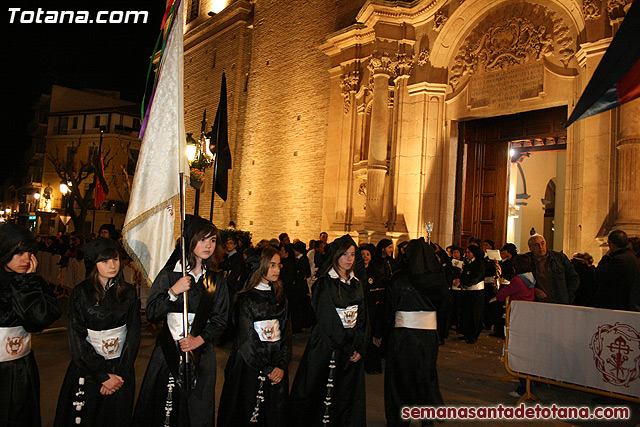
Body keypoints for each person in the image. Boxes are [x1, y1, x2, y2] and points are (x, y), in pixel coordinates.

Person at [133, 215, 229, 427]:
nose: (208, 245)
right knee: (165, 408)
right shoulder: (169, 274)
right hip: (167, 354)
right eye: (203, 239)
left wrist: (199, 339)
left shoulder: (216, 280)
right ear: (190, 241)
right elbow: (152, 313)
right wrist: (173, 292)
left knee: (197, 411)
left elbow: (220, 320)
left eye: (212, 240)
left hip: (201, 355)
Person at [54, 238, 140, 427]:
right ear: (94, 264)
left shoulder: (129, 292)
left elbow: (133, 335)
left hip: (120, 369)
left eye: (115, 259)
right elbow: (77, 339)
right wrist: (103, 376)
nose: (112, 265)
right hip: (89, 369)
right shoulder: (81, 293)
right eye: (105, 261)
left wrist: (118, 374)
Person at [289, 235, 367, 426]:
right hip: (327, 345)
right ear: (336, 256)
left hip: (351, 348)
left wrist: (359, 345)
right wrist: (347, 347)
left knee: (346, 394)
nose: (349, 259)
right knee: (319, 393)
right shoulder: (325, 283)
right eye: (344, 254)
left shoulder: (356, 283)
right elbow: (327, 319)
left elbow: (363, 317)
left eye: (352, 255)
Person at [217, 246, 291, 427]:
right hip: (250, 363)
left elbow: (286, 331)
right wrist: (266, 368)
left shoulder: (280, 296)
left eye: (279, 265)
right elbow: (246, 337)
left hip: (276, 361)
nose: (277, 270)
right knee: (248, 408)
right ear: (261, 266)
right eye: (272, 265)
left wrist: (281, 364)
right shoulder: (245, 299)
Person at [377, 239, 447, 426]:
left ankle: (400, 419)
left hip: (403, 336)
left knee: (399, 379)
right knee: (426, 376)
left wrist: (379, 332)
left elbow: (387, 309)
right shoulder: (438, 280)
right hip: (428, 338)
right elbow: (446, 307)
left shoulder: (399, 279)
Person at [0, 223, 61, 427]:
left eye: (29, 253)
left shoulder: (34, 282)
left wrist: (27, 284)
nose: (26, 259)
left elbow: (39, 320)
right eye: (18, 253)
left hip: (22, 367)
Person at [494, 255, 535, 397]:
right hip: (527, 317)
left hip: (517, 318)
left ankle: (523, 387)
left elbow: (501, 295)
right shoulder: (530, 279)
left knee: (519, 352)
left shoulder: (518, 280)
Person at [526, 234, 579, 304]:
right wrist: (534, 290)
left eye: (542, 243)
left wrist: (567, 294)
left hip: (559, 301)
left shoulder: (559, 258)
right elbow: (521, 280)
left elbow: (574, 277)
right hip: (537, 303)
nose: (541, 247)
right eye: (536, 245)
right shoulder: (526, 261)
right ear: (530, 248)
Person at [595, 230, 640, 311]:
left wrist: (605, 257)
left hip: (616, 304)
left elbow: (601, 274)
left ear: (612, 245)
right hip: (626, 303)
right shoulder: (632, 258)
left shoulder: (619, 260)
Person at [458, 245, 485, 344]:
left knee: (474, 314)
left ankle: (473, 335)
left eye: (469, 252)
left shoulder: (479, 263)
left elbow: (477, 277)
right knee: (466, 313)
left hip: (476, 291)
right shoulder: (467, 263)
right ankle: (466, 333)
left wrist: (466, 282)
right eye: (467, 252)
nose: (467, 254)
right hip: (466, 290)